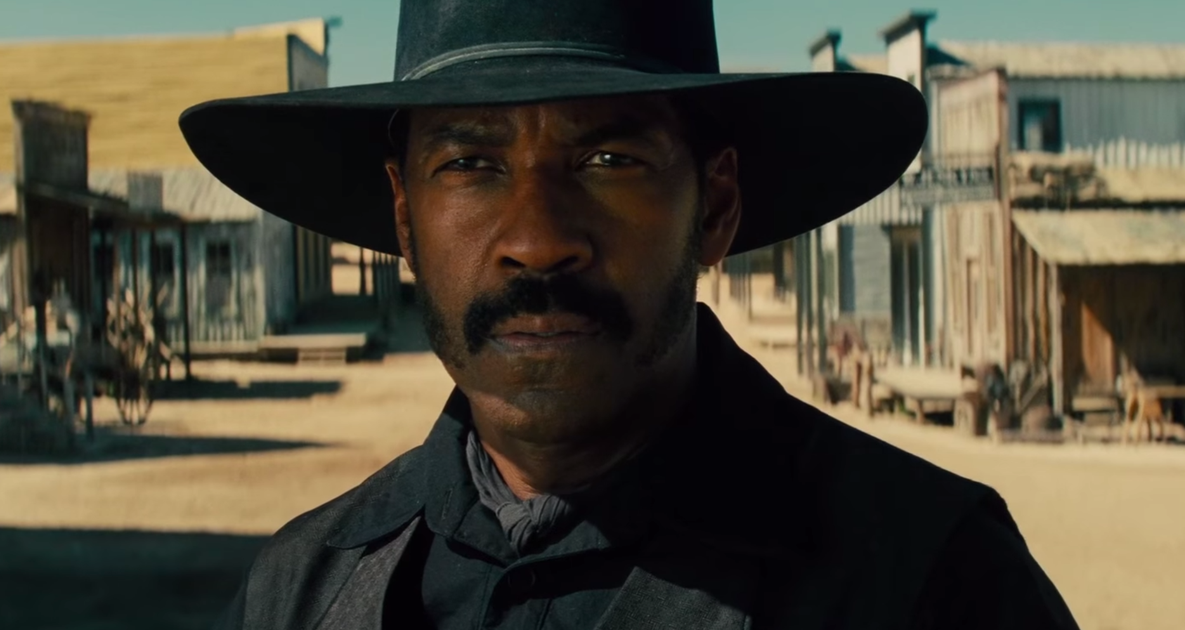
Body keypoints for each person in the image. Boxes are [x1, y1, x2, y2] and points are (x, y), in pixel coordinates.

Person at [182, 1, 1080, 628]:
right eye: (470, 164)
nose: (537, 241)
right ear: (406, 217)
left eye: (608, 159)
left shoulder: (929, 583)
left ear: (714, 206)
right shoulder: (300, 591)